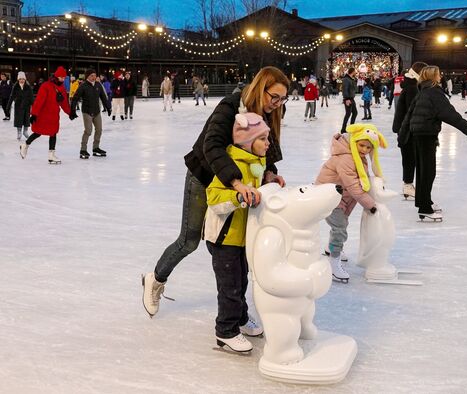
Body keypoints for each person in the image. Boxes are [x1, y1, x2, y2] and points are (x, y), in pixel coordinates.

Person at [142, 66, 288, 318]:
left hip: (241, 183)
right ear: (259, 87)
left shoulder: (271, 111)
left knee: (233, 248)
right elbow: (212, 145)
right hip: (205, 176)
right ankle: (154, 279)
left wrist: (269, 173)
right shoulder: (231, 106)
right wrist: (235, 181)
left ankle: (235, 311)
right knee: (189, 241)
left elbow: (265, 149)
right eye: (273, 96)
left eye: (282, 99)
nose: (277, 103)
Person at [204, 112, 270, 353]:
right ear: (247, 142)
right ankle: (225, 331)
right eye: (263, 139)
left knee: (241, 280)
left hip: (242, 238)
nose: (268, 144)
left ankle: (240, 318)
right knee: (230, 286)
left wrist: (272, 181)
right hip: (224, 238)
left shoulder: (256, 165)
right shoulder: (232, 166)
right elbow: (213, 197)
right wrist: (238, 196)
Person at [399, 65, 467, 221]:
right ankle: (425, 207)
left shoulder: (423, 91)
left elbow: (409, 115)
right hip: (426, 135)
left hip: (417, 135)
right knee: (428, 172)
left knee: (422, 171)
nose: (440, 77)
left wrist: (402, 135)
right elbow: (449, 114)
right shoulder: (434, 92)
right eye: (439, 74)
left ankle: (423, 203)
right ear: (433, 77)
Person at [315, 124, 385, 282]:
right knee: (340, 228)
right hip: (329, 197)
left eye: (369, 147)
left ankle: (330, 248)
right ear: (354, 141)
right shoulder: (347, 158)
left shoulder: (357, 156)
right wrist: (370, 204)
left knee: (341, 225)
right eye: (362, 145)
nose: (365, 150)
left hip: (339, 197)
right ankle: (333, 262)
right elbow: (354, 185)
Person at [19, 66, 73, 164]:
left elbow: (64, 103)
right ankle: (25, 145)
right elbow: (39, 101)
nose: (63, 79)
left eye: (64, 78)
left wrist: (70, 113)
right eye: (61, 77)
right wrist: (34, 114)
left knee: (53, 133)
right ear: (56, 76)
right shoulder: (46, 86)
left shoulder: (62, 88)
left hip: (53, 116)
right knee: (38, 133)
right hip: (43, 115)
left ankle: (51, 155)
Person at [392, 61, 427, 200]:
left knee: (410, 157)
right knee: (410, 158)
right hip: (407, 129)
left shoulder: (411, 85)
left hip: (405, 128)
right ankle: (408, 185)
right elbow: (412, 111)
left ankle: (408, 185)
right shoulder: (412, 88)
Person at [71, 68, 111, 159]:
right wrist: (72, 110)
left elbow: (103, 97)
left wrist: (108, 107)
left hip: (96, 111)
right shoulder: (83, 86)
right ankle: (83, 150)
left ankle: (96, 148)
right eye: (91, 75)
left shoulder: (98, 85)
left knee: (99, 130)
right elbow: (75, 98)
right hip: (87, 111)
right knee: (88, 131)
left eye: (95, 75)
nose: (94, 77)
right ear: (87, 76)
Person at [7, 71, 33, 141]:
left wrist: (33, 105)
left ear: (25, 79)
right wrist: (8, 106)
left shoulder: (28, 87)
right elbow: (11, 96)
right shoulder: (15, 87)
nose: (22, 80)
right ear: (18, 79)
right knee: (19, 119)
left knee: (26, 119)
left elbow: (31, 97)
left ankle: (25, 131)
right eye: (20, 79)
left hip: (26, 106)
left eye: (23, 79)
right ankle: (19, 132)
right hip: (18, 106)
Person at [341, 67, 358, 134]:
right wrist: (346, 99)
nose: (356, 72)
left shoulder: (351, 79)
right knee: (348, 114)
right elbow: (344, 89)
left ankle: (351, 127)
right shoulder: (346, 79)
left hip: (351, 98)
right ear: (352, 71)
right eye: (355, 71)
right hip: (348, 98)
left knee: (355, 113)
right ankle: (343, 129)